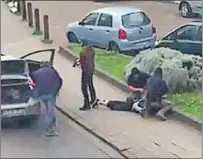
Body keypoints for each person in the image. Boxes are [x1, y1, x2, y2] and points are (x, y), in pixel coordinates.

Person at [30, 63, 63, 136]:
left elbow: (32, 81)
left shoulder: (36, 73)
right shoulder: (53, 71)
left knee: (48, 109)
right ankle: (49, 129)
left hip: (41, 93)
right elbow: (60, 81)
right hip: (51, 93)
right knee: (50, 111)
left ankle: (52, 124)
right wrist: (57, 91)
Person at [73, 39, 98, 111]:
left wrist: (77, 63)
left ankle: (86, 104)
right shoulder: (92, 51)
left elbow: (82, 62)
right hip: (91, 69)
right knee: (91, 85)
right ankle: (94, 100)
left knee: (84, 88)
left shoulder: (82, 52)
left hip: (85, 71)